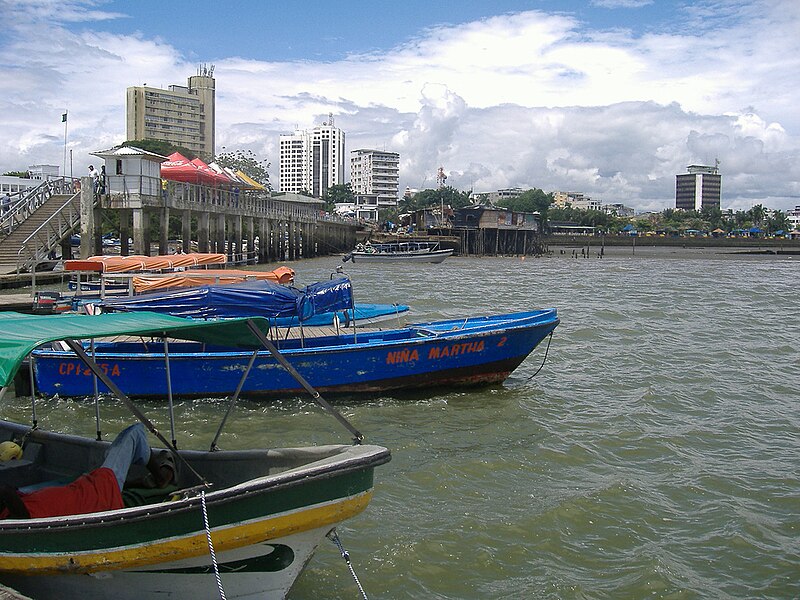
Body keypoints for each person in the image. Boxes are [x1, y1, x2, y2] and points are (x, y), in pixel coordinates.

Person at [0, 423, 175, 520]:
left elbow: (10, 492)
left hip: (86, 484)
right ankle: (161, 478)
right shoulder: (19, 515)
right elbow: (8, 494)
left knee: (110, 455)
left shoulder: (21, 500)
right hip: (99, 492)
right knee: (135, 432)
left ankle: (139, 481)